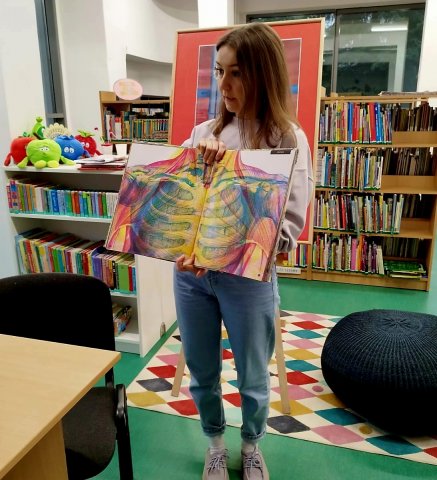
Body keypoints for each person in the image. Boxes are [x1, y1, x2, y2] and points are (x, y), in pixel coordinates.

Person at [174, 22, 313, 480]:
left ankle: (251, 446)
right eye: (219, 71)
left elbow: (289, 228)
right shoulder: (203, 132)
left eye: (236, 73)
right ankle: (215, 444)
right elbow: (179, 207)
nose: (224, 85)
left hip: (249, 280)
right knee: (202, 369)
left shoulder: (287, 139)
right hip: (193, 278)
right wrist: (198, 165)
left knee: (253, 375)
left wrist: (233, 246)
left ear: (263, 74)